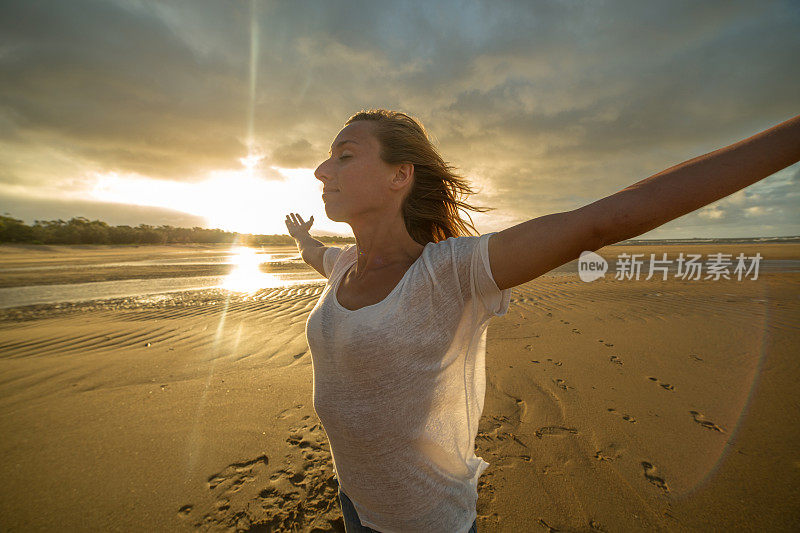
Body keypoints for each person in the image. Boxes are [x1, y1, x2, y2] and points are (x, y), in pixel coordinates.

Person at [285, 109, 799, 532]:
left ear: (401, 175)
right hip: (352, 494)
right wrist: (303, 240)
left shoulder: (449, 273)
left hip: (420, 519)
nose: (321, 170)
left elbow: (594, 223)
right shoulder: (345, 264)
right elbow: (317, 255)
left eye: (344, 156)